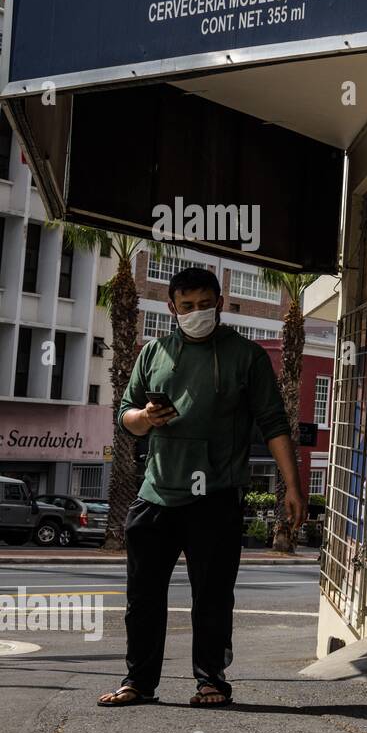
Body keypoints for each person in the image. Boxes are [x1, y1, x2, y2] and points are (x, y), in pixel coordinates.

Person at [98, 267, 304, 708]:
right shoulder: (153, 351)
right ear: (172, 308)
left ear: (220, 304)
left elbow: (273, 423)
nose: (196, 313)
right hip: (156, 493)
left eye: (205, 304)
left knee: (211, 596)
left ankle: (211, 680)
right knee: (143, 598)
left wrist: (293, 486)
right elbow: (127, 417)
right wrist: (145, 418)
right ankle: (138, 682)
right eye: (187, 306)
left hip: (216, 497)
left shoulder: (246, 356)